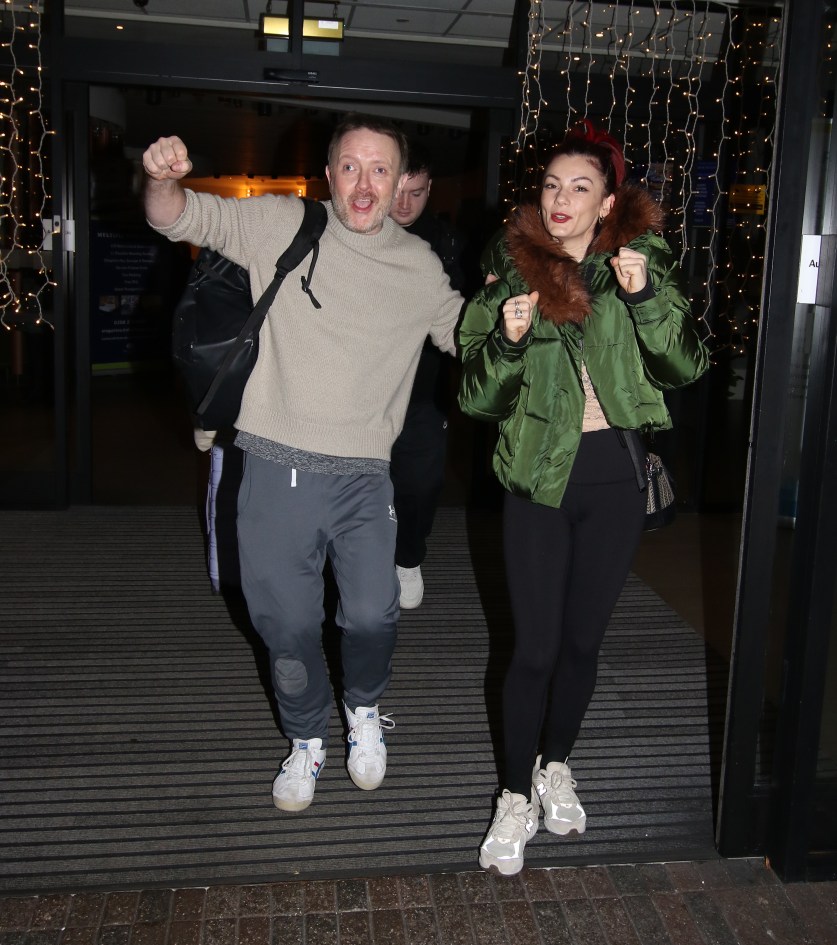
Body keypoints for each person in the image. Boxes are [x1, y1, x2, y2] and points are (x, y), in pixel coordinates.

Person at [142, 114, 463, 813]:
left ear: (402, 180)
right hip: (272, 469)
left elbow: (464, 333)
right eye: (351, 166)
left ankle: (363, 710)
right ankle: (305, 738)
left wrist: (518, 314)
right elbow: (176, 216)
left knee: (375, 614)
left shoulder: (416, 267)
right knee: (284, 629)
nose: (365, 183)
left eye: (380, 169)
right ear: (329, 174)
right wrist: (161, 180)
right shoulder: (283, 224)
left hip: (361, 477)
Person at [457, 120, 709, 875]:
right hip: (536, 476)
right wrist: (502, 344)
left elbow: (683, 367)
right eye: (550, 185)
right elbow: (473, 396)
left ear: (606, 204)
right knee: (531, 648)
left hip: (613, 482)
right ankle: (512, 794)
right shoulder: (506, 270)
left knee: (580, 643)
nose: (560, 199)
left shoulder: (638, 264)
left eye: (580, 188)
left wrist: (643, 300)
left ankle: (555, 763)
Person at [388, 141, 468, 609]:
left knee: (419, 485)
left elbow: (462, 322)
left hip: (422, 394)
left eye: (415, 193)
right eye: (397, 190)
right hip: (361, 396)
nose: (403, 204)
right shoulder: (355, 232)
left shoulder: (448, 243)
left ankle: (408, 556)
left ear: (429, 189)